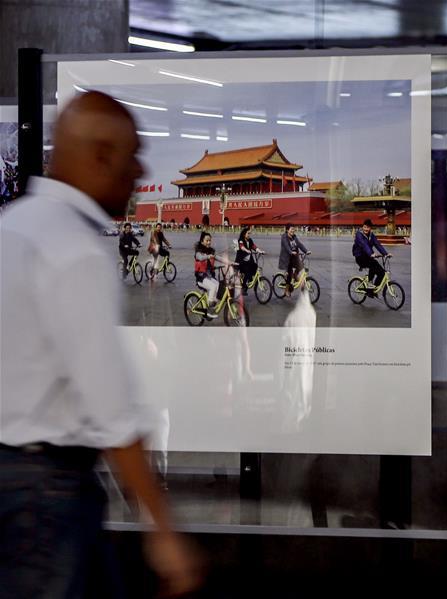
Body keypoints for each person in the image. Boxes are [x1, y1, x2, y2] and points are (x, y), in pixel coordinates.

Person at [0, 91, 202, 598]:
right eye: (133, 155)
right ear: (100, 156)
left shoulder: (15, 225)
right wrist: (161, 526)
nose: (140, 171)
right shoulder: (74, 249)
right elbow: (110, 404)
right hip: (45, 496)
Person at [352, 219, 391, 295]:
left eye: (368, 227)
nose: (366, 229)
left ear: (370, 228)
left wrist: (386, 254)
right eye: (365, 227)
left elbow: (377, 244)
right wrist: (371, 253)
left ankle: (372, 290)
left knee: (382, 273)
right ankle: (370, 283)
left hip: (368, 257)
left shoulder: (371, 235)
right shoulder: (359, 234)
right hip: (360, 257)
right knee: (373, 264)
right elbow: (364, 244)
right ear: (362, 227)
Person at [194, 232, 220, 319]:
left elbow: (219, 258)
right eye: (207, 240)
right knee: (213, 287)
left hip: (209, 276)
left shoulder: (211, 251)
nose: (209, 242)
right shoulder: (198, 252)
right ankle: (209, 308)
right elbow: (201, 258)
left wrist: (231, 263)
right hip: (201, 277)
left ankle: (212, 302)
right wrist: (208, 256)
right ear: (202, 241)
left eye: (210, 240)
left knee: (218, 285)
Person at [278, 224, 309, 297]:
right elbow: (286, 246)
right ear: (287, 230)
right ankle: (286, 290)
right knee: (289, 274)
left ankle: (295, 275)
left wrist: (306, 251)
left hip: (294, 257)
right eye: (291, 229)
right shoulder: (284, 237)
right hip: (287, 258)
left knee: (301, 266)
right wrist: (291, 252)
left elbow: (299, 244)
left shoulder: (294, 237)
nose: (293, 230)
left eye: (293, 229)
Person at [235, 225, 263, 295]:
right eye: (248, 233)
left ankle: (250, 279)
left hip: (248, 260)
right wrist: (246, 250)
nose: (249, 235)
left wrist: (260, 251)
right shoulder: (241, 240)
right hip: (241, 261)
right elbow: (241, 247)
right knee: (248, 271)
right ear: (244, 233)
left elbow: (254, 246)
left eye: (250, 233)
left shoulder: (250, 240)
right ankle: (244, 287)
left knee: (255, 266)